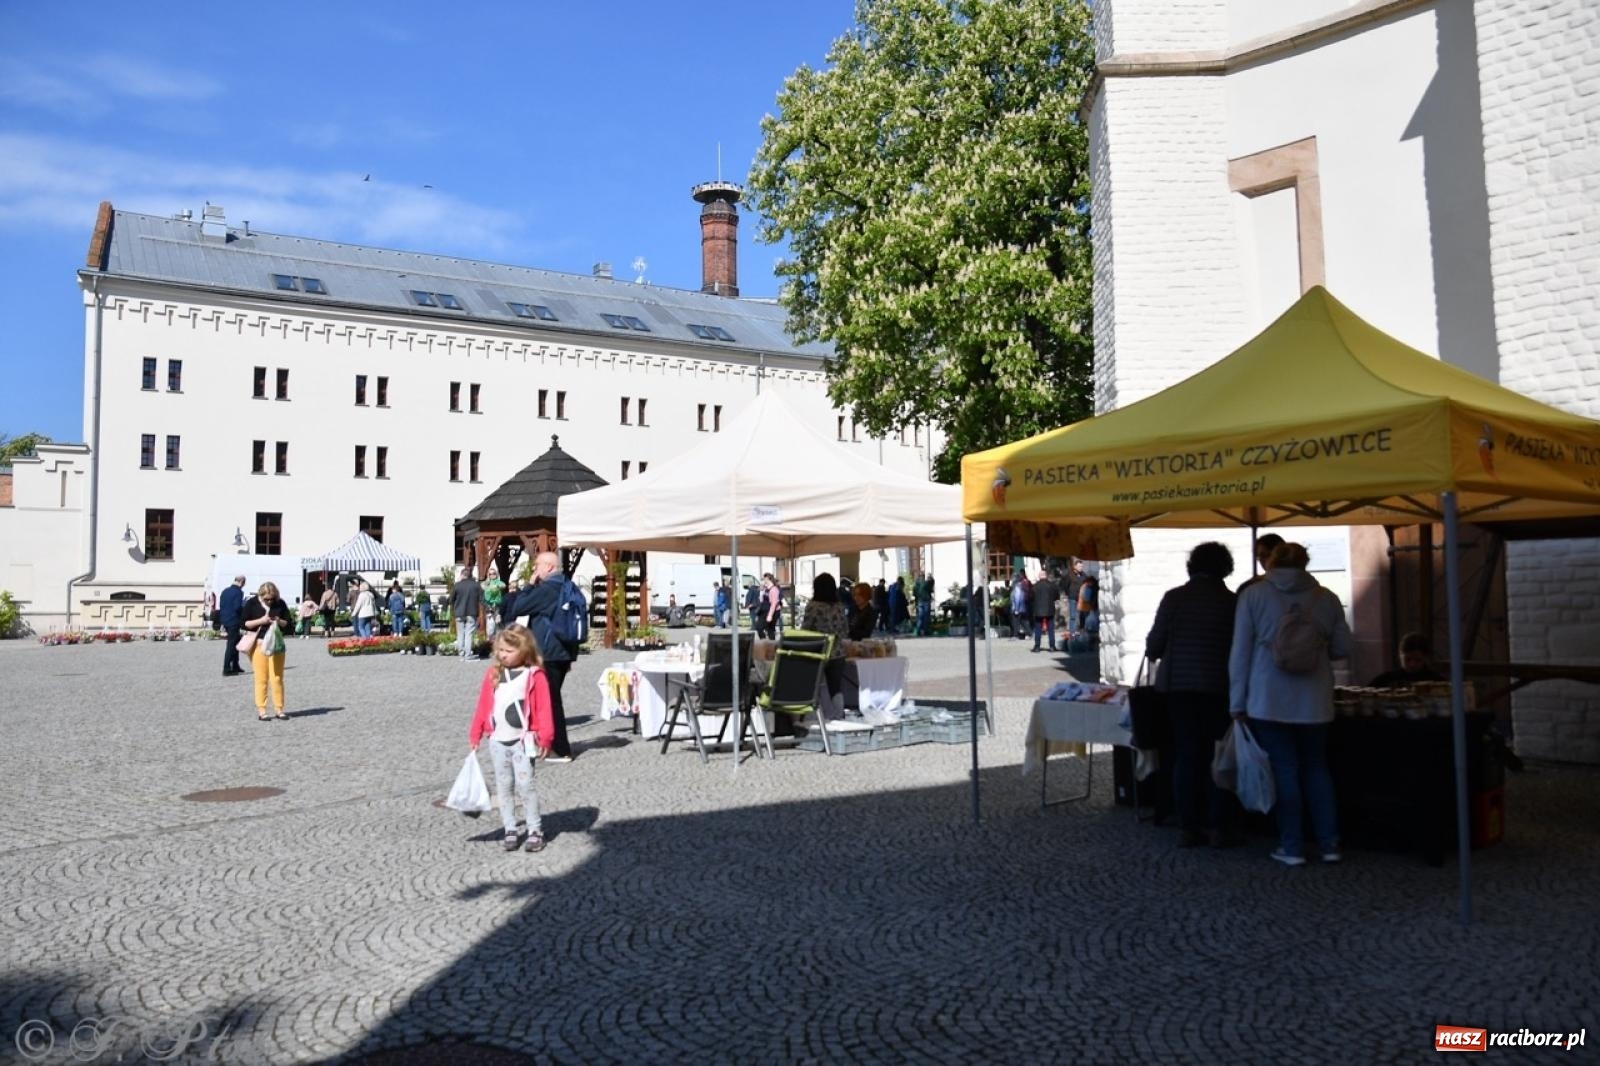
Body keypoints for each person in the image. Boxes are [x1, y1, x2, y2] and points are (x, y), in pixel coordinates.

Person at [1229, 541, 1354, 866]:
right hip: (1315, 700)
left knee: (1284, 770)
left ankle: (1292, 845)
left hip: (1267, 699)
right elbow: (1343, 648)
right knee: (1317, 768)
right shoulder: (1326, 598)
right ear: (1305, 563)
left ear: (1271, 562)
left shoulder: (1253, 596)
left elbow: (1240, 653)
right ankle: (1329, 843)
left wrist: (1236, 702)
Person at [1147, 542, 1242, 849]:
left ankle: (1188, 825)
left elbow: (1154, 645)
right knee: (1218, 754)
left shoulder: (1174, 598)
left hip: (1179, 688)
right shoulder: (1232, 602)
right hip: (1219, 687)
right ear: (1225, 567)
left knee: (1186, 755)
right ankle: (1218, 826)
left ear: (1192, 566)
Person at [468, 624, 556, 853]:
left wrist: (546, 738)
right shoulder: (493, 674)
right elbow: (483, 705)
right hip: (497, 740)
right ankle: (510, 828)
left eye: (509, 651)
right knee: (504, 786)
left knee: (526, 786)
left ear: (524, 651)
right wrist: (476, 732)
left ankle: (535, 830)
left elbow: (544, 709)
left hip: (522, 741)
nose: (503, 655)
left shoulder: (534, 675)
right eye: (500, 650)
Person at [502, 552, 576, 761]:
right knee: (548, 698)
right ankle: (546, 742)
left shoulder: (547, 589)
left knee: (550, 701)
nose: (535, 569)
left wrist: (529, 585)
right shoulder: (568, 585)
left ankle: (561, 749)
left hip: (548, 652)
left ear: (549, 567)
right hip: (563, 651)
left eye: (538, 565)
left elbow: (517, 607)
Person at [241, 581, 294, 721]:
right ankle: (262, 710)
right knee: (261, 678)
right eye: (267, 599)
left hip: (276, 645)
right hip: (259, 644)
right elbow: (244, 623)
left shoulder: (280, 603)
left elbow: (289, 624)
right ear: (260, 595)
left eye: (272, 599)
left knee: (277, 678)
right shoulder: (252, 603)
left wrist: (279, 621)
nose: (270, 601)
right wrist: (261, 620)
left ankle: (279, 709)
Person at [801, 573, 850, 718]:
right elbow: (845, 630)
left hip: (818, 652)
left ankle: (816, 716)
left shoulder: (813, 607)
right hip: (838, 653)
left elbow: (806, 630)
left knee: (815, 686)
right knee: (836, 687)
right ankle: (839, 714)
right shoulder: (839, 606)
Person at [1369, 632, 1445, 687]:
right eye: (1407, 659)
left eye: (1418, 660)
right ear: (1400, 655)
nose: (1412, 664)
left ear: (1426, 658)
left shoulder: (1438, 683)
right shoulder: (1384, 681)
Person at [450, 568, 482, 661]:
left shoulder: (457, 585)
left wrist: (455, 607)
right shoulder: (476, 585)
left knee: (460, 634)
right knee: (469, 634)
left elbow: (451, 600)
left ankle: (461, 654)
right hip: (471, 612)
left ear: (462, 575)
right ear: (470, 575)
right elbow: (481, 599)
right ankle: (468, 655)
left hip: (459, 612)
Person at [219, 575, 246, 676]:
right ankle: (226, 668)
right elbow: (237, 607)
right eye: (243, 583)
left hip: (225, 620)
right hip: (234, 621)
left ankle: (235, 665)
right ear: (241, 582)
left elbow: (221, 605)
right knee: (231, 645)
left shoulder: (225, 591)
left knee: (236, 643)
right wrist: (245, 610)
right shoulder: (238, 592)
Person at [1031, 567, 1059, 653]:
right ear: (1046, 576)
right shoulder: (1052, 585)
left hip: (1038, 610)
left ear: (1039, 576)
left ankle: (1037, 646)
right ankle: (1052, 646)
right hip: (1049, 609)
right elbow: (1056, 596)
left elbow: (1031, 597)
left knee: (1038, 629)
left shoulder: (1035, 586)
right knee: (1051, 629)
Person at [482, 571, 505, 637]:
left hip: (497, 605)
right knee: (490, 625)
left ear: (496, 574)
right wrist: (488, 584)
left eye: (494, 573)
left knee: (498, 623)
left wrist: (497, 586)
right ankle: (490, 638)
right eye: (490, 574)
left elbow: (503, 585)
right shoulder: (487, 582)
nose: (492, 575)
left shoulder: (498, 582)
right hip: (489, 606)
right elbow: (482, 586)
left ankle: (498, 638)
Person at [1010, 573, 1029, 640]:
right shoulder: (1019, 586)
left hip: (1017, 608)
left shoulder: (1017, 587)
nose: (1011, 579)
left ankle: (1015, 635)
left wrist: (1016, 609)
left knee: (1015, 622)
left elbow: (1017, 598)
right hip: (1021, 608)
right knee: (1023, 621)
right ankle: (1029, 633)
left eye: (1012, 578)